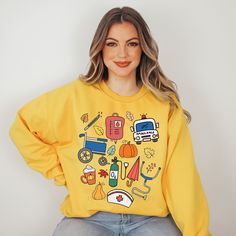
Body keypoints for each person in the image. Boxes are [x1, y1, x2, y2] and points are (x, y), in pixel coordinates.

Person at [9, 6, 211, 236]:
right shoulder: (74, 96)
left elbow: (182, 177)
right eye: (112, 43)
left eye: (132, 43)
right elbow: (22, 127)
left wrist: (198, 233)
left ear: (143, 48)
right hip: (90, 218)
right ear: (100, 48)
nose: (122, 54)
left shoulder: (164, 104)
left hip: (150, 219)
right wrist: (63, 172)